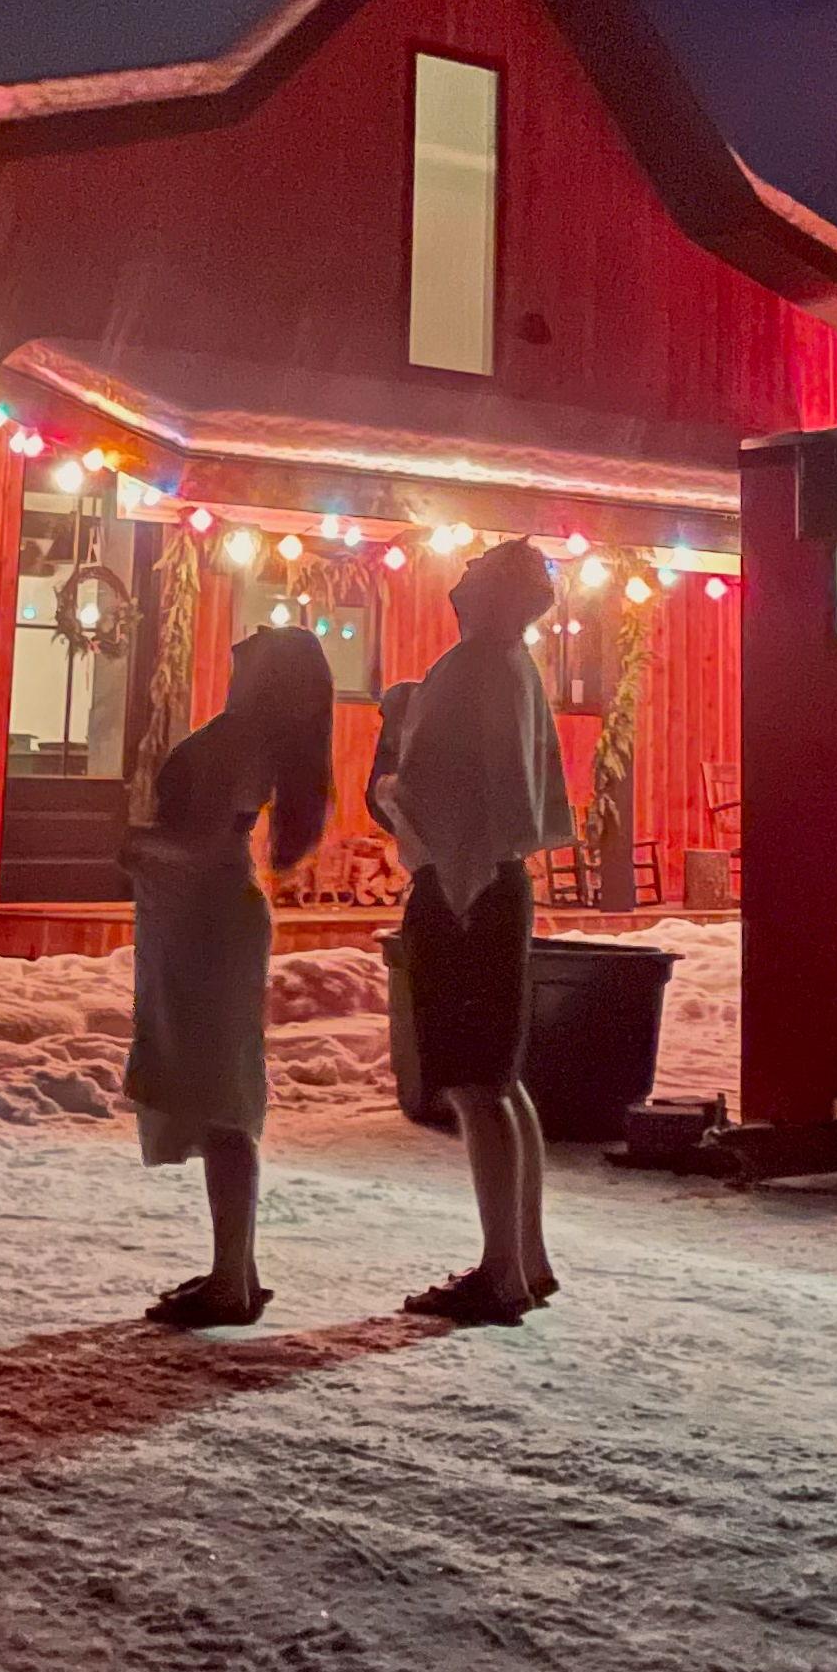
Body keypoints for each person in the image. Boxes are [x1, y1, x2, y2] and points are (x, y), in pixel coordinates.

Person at [374, 539, 575, 1323]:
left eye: (473, 572)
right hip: (503, 883)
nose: (456, 581)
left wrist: (394, 752)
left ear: (491, 594)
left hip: (463, 887)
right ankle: (527, 1258)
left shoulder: (469, 668)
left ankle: (500, 1272)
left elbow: (432, 789)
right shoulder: (520, 669)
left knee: (473, 1083)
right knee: (502, 1080)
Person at [118, 623, 335, 1328]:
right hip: (199, 917)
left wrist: (135, 847)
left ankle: (231, 1279)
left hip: (208, 922)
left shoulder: (241, 741)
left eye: (256, 647)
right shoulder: (246, 738)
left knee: (220, 1097)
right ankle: (232, 1268)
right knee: (215, 1091)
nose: (238, 644)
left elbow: (203, 842)